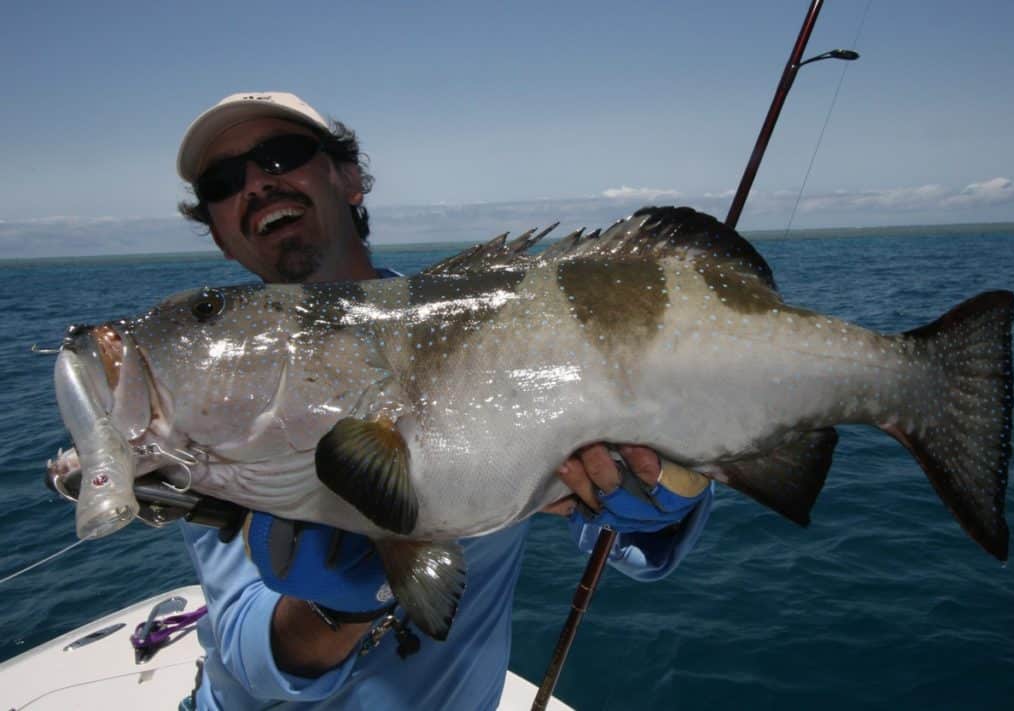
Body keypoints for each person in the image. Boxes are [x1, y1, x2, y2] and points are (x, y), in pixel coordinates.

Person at [174, 92, 714, 709]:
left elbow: (630, 550)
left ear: (350, 178)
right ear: (218, 235)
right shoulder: (219, 392)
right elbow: (251, 659)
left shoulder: (490, 324)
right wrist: (336, 605)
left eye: (281, 155)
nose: (256, 186)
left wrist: (664, 493)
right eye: (222, 181)